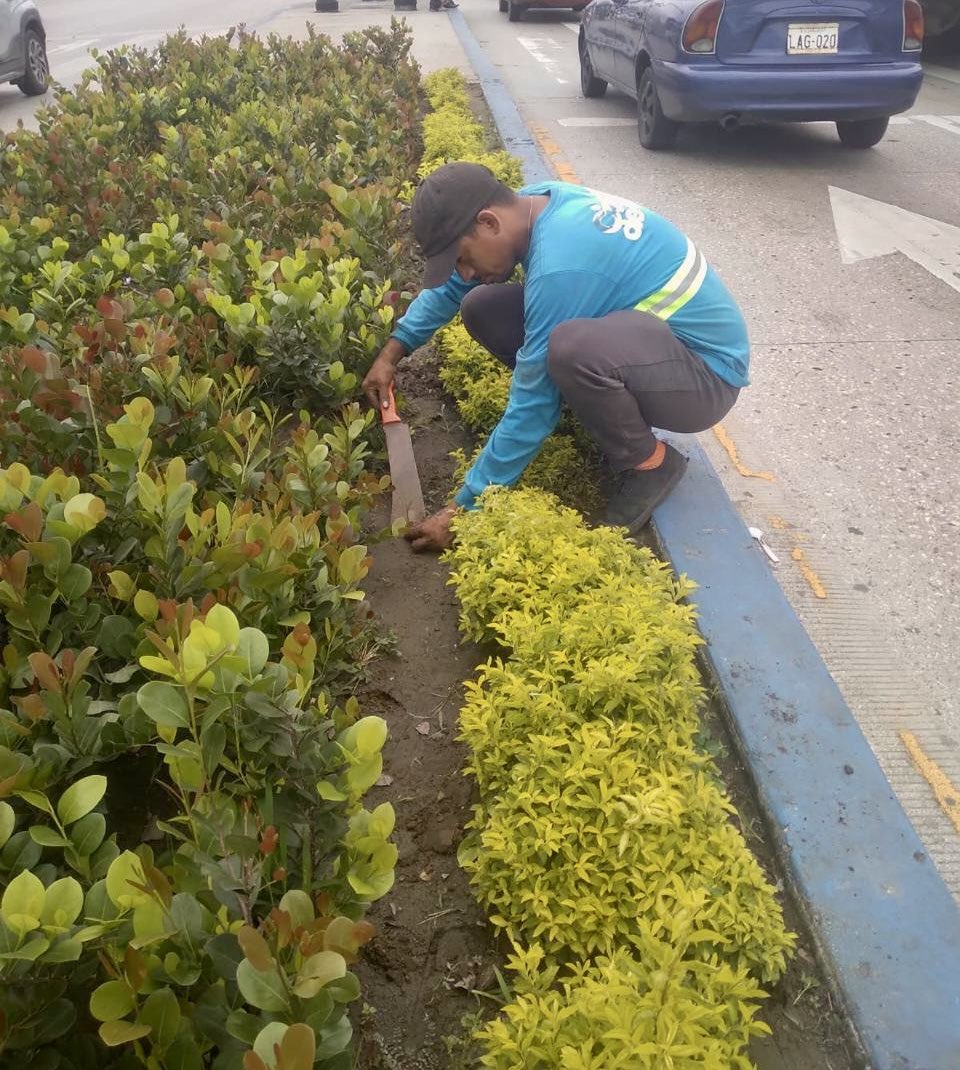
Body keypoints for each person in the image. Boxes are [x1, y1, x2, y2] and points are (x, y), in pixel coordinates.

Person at [362, 161, 749, 552]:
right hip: (648, 348)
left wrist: (464, 510)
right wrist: (392, 353)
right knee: (482, 305)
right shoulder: (536, 203)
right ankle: (597, 407)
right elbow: (452, 289)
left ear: (488, 223)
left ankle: (649, 462)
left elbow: (532, 400)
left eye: (463, 258)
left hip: (704, 378)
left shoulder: (561, 264)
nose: (465, 271)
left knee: (570, 350)